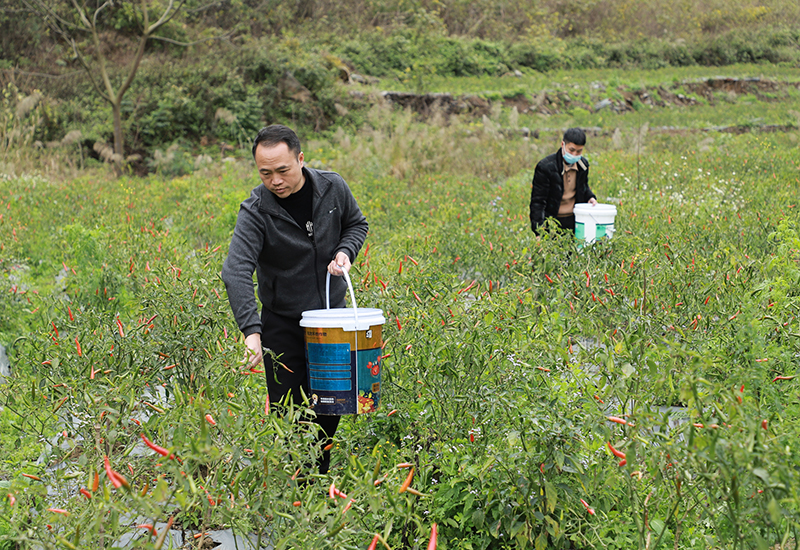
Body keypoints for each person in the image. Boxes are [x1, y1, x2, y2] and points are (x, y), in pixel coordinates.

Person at [221, 124, 369, 474]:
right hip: (283, 323)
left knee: (330, 408)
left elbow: (356, 224)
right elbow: (235, 270)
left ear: (300, 159)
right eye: (265, 173)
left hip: (330, 321)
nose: (275, 181)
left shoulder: (333, 188)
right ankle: (299, 490)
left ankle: (318, 482)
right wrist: (251, 332)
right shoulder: (256, 211)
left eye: (283, 170)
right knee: (289, 414)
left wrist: (346, 251)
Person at [530, 127, 598, 233]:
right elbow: (538, 202)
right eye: (571, 150)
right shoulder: (545, 167)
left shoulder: (582, 165)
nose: (574, 154)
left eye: (579, 151)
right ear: (563, 145)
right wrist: (539, 231)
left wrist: (590, 197)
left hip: (575, 220)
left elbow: (583, 187)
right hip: (553, 221)